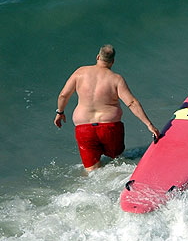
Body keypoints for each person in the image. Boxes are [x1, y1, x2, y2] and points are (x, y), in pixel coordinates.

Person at [54, 44, 160, 172]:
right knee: (117, 163)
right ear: (113, 61)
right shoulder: (116, 79)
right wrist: (149, 125)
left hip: (84, 128)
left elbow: (63, 95)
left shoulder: (80, 73)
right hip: (110, 127)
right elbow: (131, 102)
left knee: (92, 172)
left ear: (98, 57)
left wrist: (60, 112)